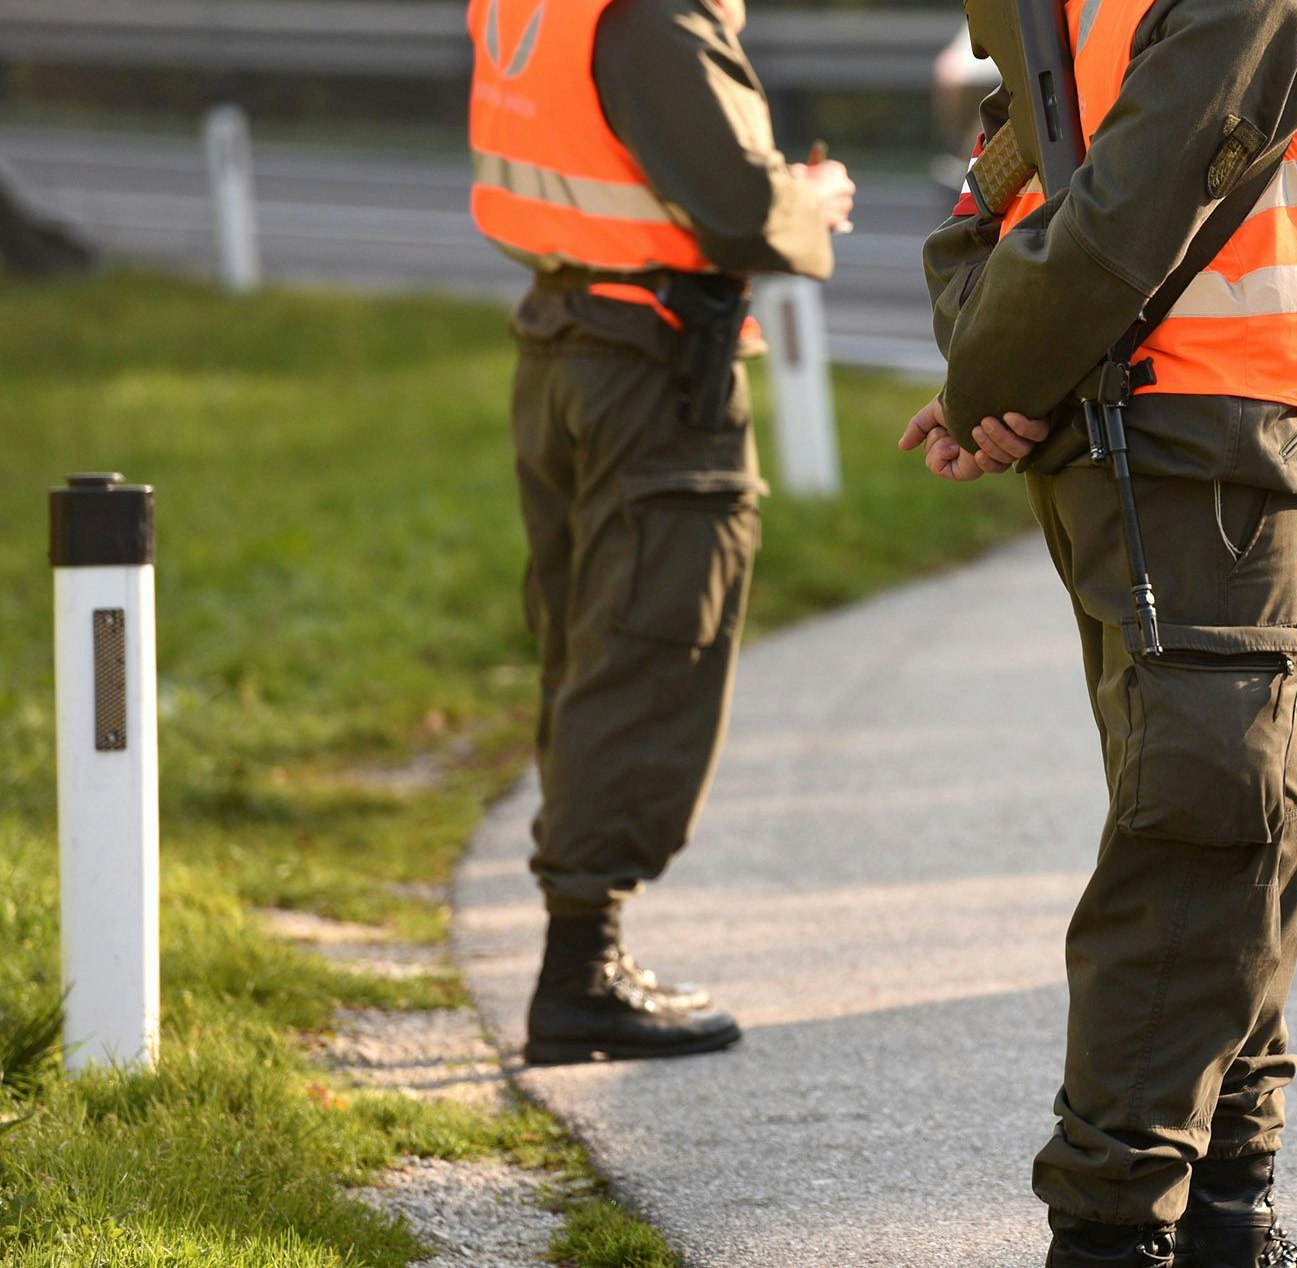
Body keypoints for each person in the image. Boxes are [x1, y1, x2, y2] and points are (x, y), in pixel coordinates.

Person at [900, 0, 1297, 1258]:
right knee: (1206, 818)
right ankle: (1114, 1227)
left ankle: (1229, 1205)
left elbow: (1005, 190)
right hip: (1184, 433)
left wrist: (998, 378)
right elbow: (1111, 214)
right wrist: (994, 382)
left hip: (1155, 430)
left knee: (1245, 811)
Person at [465, 0, 854, 1065]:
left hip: (565, 337)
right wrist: (810, 201)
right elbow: (732, 202)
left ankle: (583, 952)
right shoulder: (654, 12)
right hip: (650, 368)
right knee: (646, 648)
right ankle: (581, 973)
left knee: (590, 646)